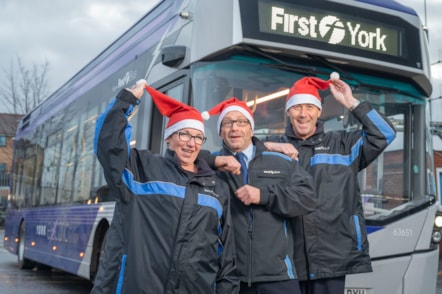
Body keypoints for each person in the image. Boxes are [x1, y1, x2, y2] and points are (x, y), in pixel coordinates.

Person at [92, 80, 239, 293]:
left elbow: (226, 259)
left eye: (198, 137)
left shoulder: (217, 189)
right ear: (169, 139)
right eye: (184, 134)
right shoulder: (141, 169)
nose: (192, 143)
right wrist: (126, 101)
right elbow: (109, 146)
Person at [264, 73, 397, 294]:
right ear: (288, 112)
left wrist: (350, 102)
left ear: (319, 111)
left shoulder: (343, 144)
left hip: (331, 260)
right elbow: (238, 153)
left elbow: (384, 133)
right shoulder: (273, 147)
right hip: (284, 261)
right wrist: (268, 146)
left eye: (309, 107)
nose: (303, 114)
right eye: (297, 108)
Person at [199, 98, 316, 294]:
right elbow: (175, 157)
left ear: (251, 130)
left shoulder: (280, 162)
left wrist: (264, 195)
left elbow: (307, 198)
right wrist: (214, 160)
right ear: (220, 132)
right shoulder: (209, 167)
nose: (234, 128)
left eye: (241, 122)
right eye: (227, 123)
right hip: (228, 277)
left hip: (278, 276)